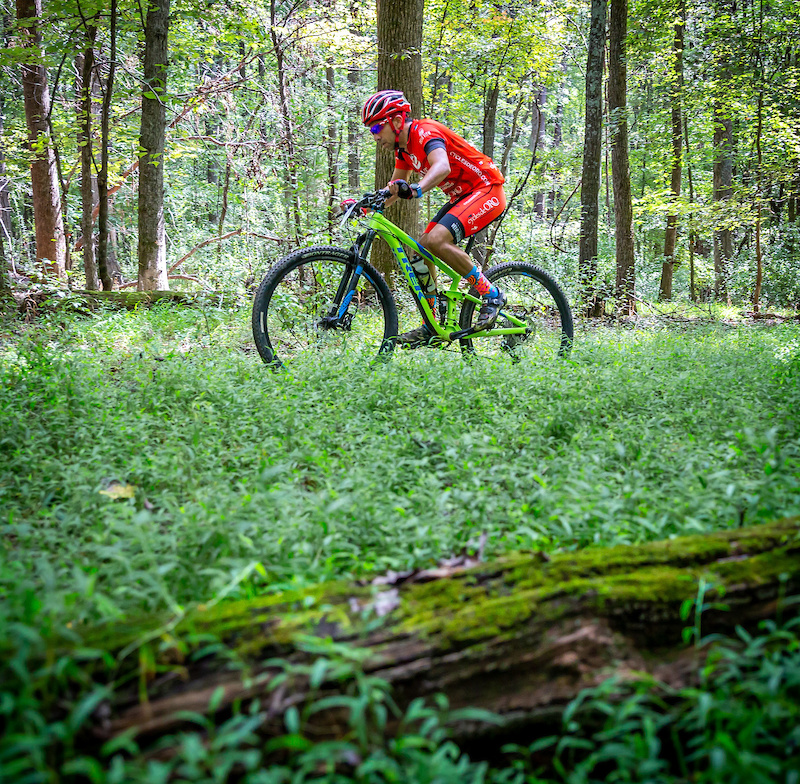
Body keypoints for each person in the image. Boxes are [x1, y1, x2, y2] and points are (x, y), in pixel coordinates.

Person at [361, 89, 507, 346]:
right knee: (421, 253)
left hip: (486, 189)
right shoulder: (403, 151)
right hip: (461, 197)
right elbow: (395, 187)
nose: (375, 137)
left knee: (437, 240)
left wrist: (417, 188)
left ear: (396, 121)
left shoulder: (425, 132)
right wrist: (364, 204)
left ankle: (492, 294)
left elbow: (442, 166)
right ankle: (432, 324)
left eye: (376, 129)